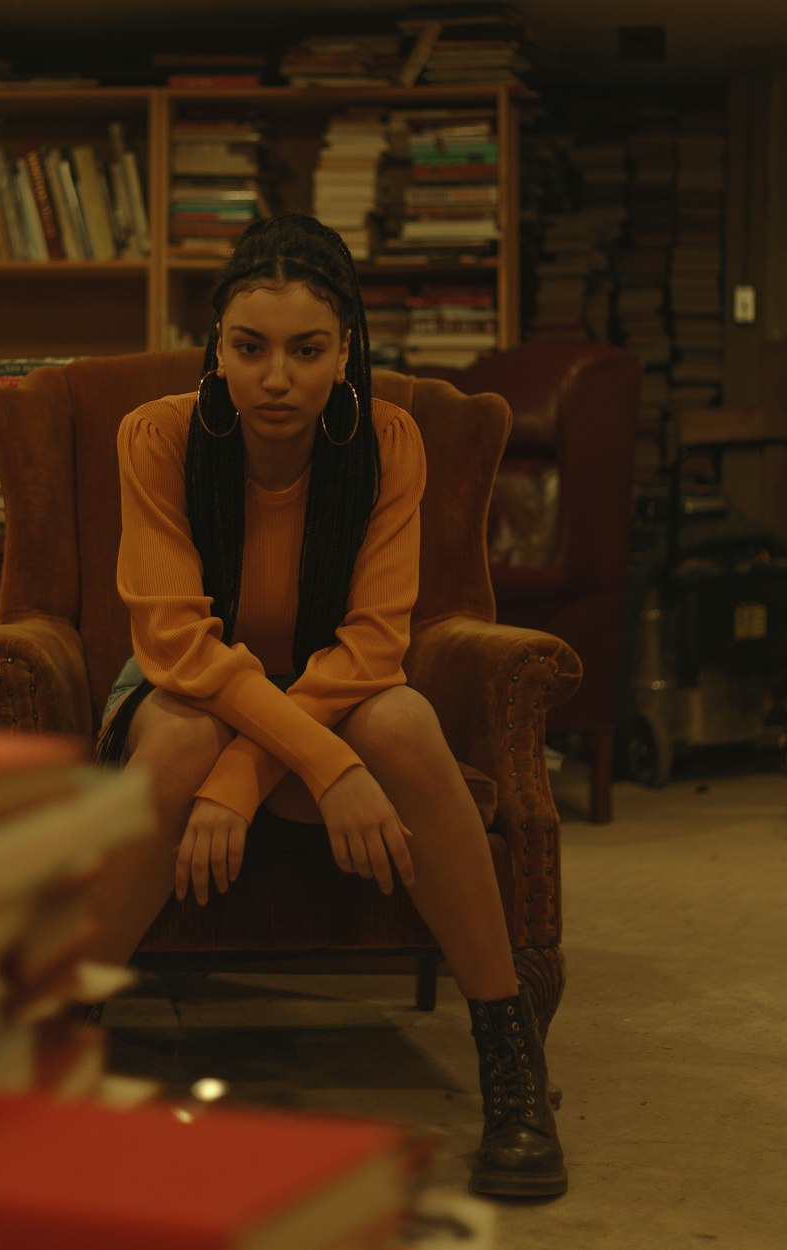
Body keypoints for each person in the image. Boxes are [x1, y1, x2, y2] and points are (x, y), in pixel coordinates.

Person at [96, 211, 567, 1199]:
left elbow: (372, 646)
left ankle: (510, 1067)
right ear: (215, 346)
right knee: (181, 745)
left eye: (307, 350)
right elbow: (174, 641)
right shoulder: (157, 435)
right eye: (249, 348)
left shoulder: (389, 439)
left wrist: (250, 774)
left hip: (335, 685)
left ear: (346, 348)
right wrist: (321, 765)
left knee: (403, 717)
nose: (277, 378)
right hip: (185, 687)